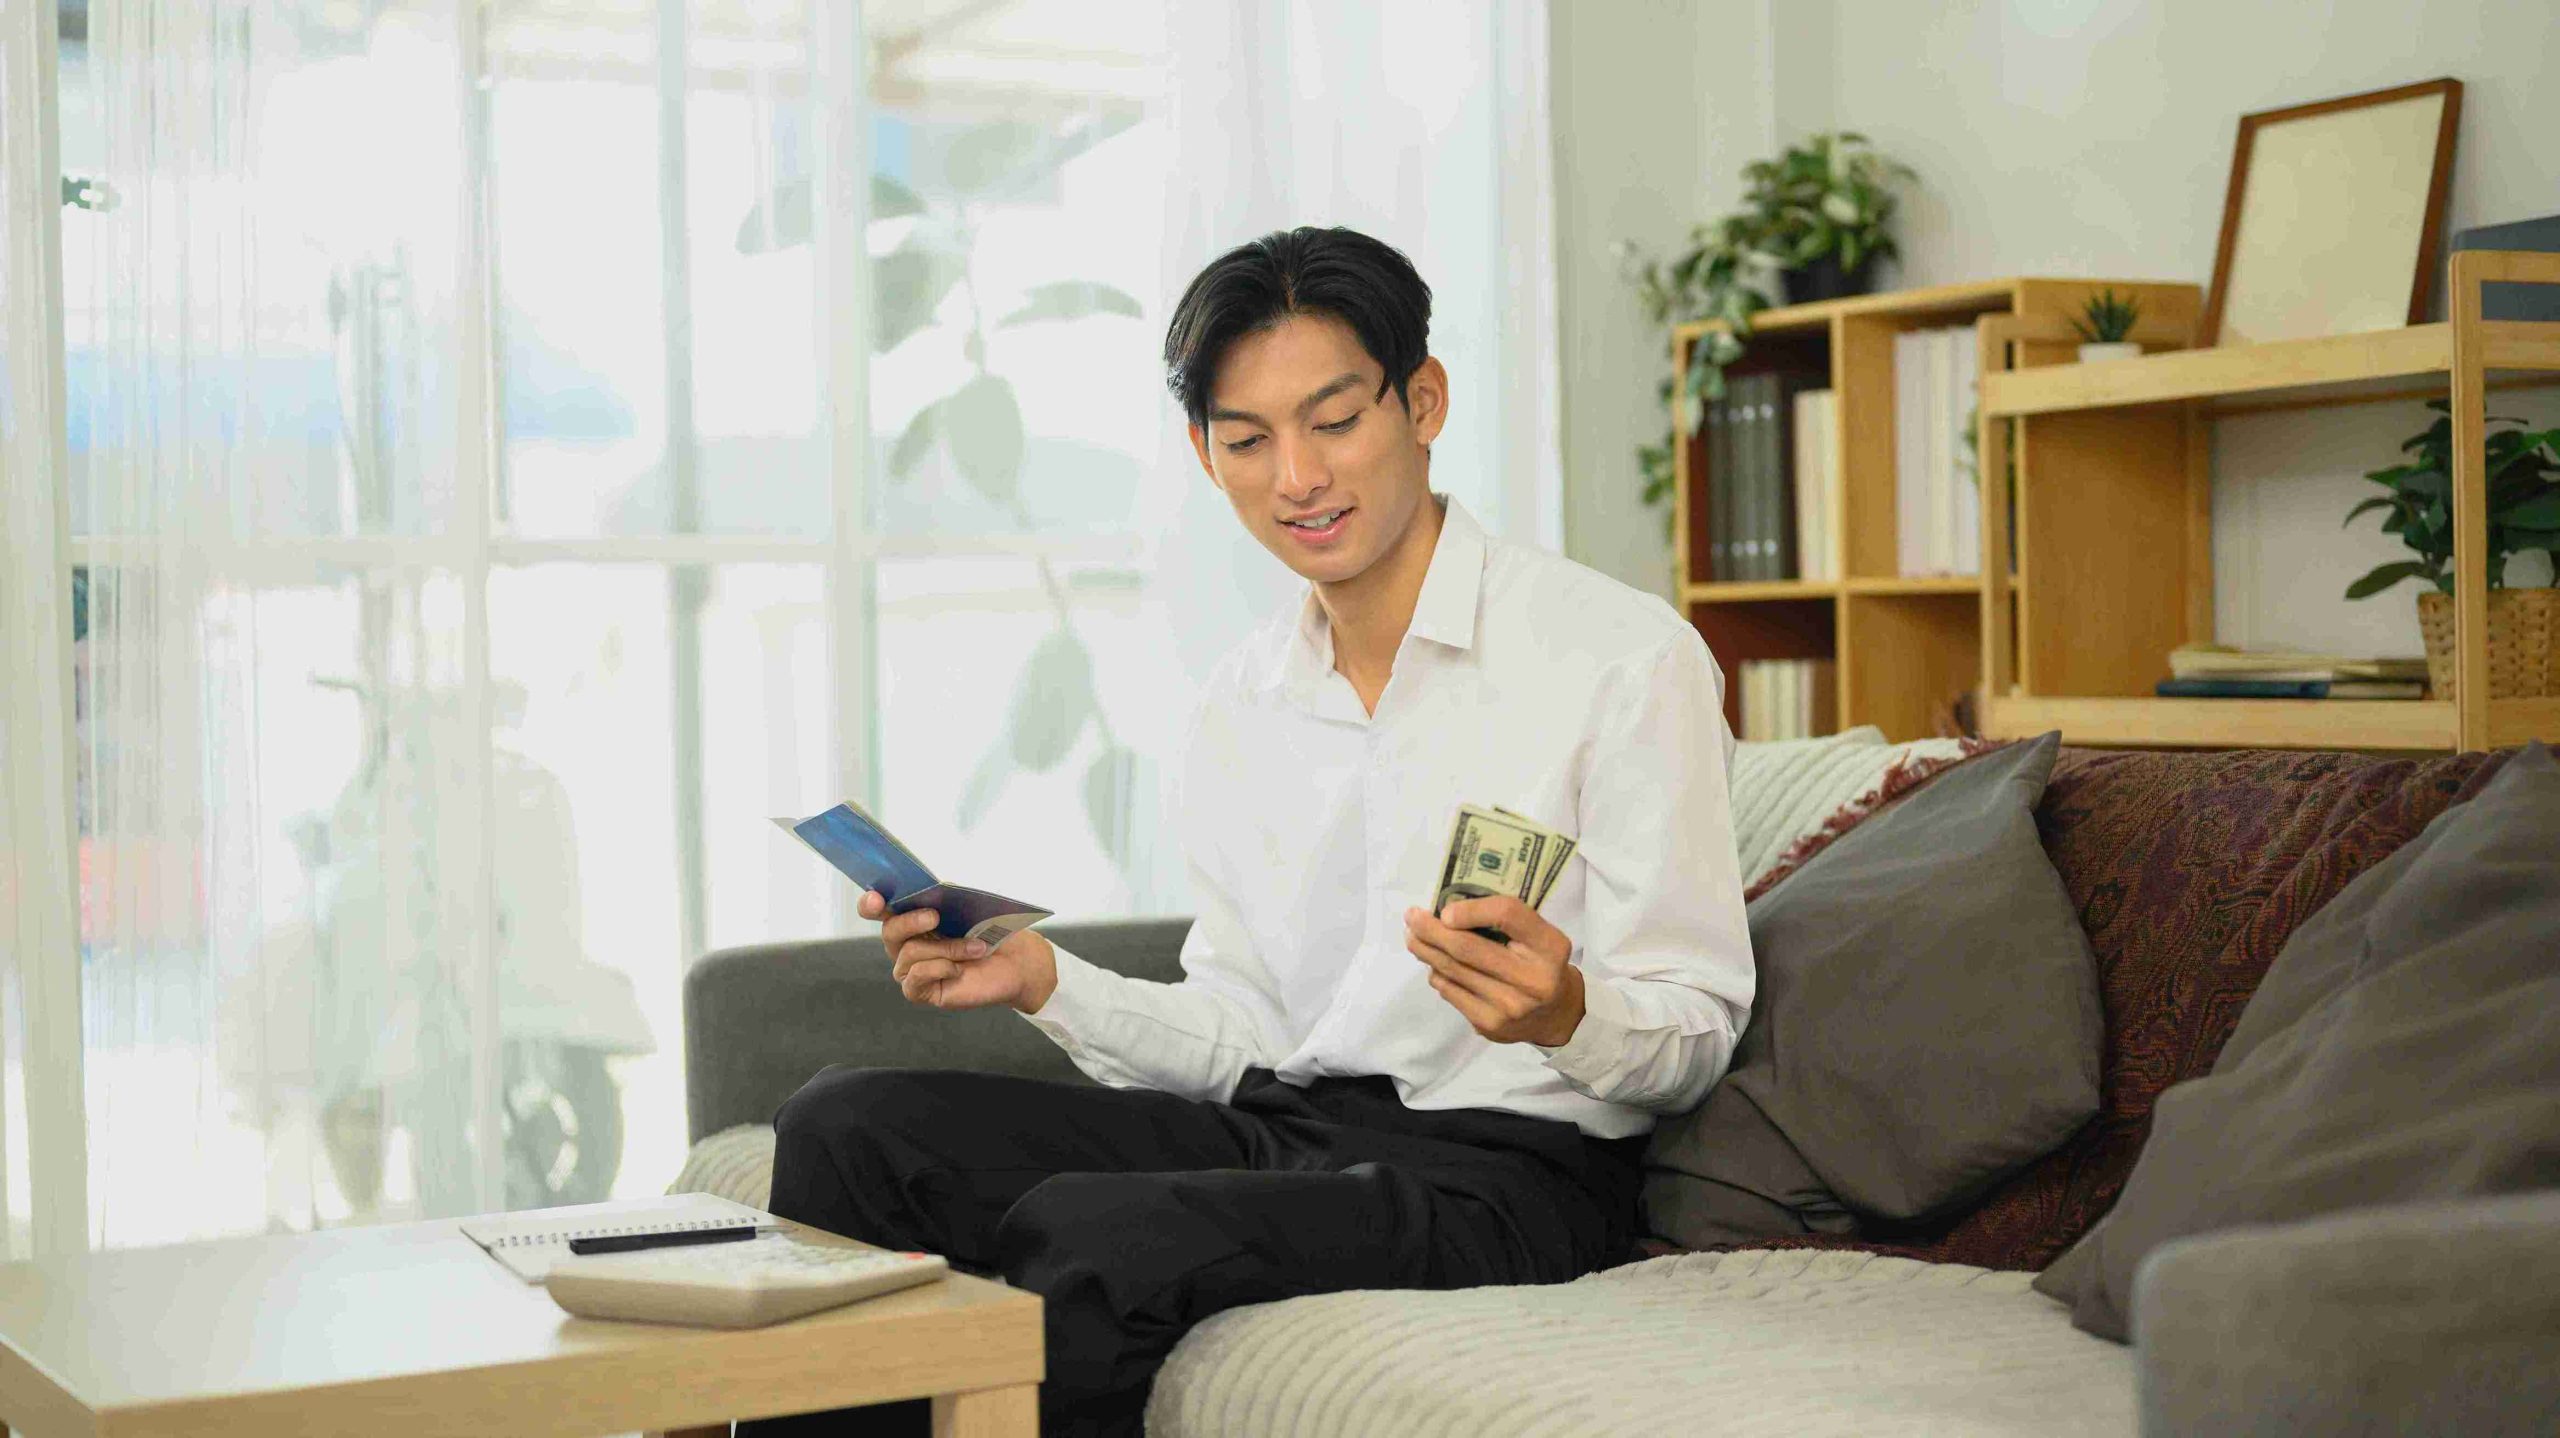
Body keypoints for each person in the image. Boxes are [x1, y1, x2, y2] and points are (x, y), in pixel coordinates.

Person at [752, 225, 1754, 1437]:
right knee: (845, 1128)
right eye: (1248, 439)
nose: (1298, 477)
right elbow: (1242, 1032)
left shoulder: (1620, 657)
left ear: (1422, 401)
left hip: (1515, 1172)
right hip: (1289, 1128)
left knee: (1095, 1231)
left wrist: (1569, 1010)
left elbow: (1698, 1029)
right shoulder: (1243, 697)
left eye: (1335, 421)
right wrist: (1039, 980)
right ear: (1203, 451)